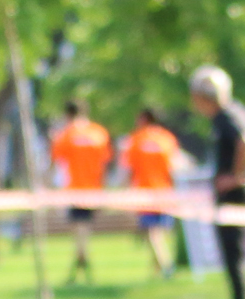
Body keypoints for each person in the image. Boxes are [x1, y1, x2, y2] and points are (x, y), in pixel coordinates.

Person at [191, 65, 245, 299]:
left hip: (233, 195)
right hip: (235, 192)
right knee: (233, 255)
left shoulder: (227, 116)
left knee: (233, 255)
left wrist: (237, 176)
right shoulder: (237, 112)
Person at [49, 98, 113, 283]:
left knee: (79, 230)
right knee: (83, 229)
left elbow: (55, 162)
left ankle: (82, 266)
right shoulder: (98, 133)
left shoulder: (65, 135)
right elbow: (105, 163)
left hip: (74, 190)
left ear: (67, 114)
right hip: (94, 188)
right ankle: (80, 267)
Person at [124, 106, 184, 278]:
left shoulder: (136, 139)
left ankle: (166, 266)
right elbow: (174, 166)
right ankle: (157, 269)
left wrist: (127, 190)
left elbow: (130, 168)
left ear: (144, 119)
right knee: (158, 232)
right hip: (164, 191)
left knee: (152, 232)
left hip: (145, 192)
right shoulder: (167, 138)